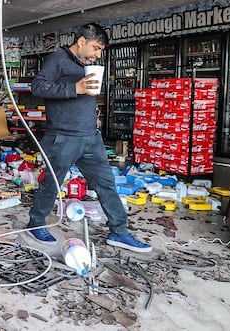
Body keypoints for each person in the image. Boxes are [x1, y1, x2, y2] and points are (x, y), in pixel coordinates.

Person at [26, 23, 152, 253]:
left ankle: (119, 231)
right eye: (96, 48)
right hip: (63, 137)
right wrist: (75, 88)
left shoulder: (86, 64)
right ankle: (35, 224)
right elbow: (38, 86)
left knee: (106, 184)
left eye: (100, 50)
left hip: (90, 137)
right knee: (51, 184)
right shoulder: (58, 59)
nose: (97, 54)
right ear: (81, 41)